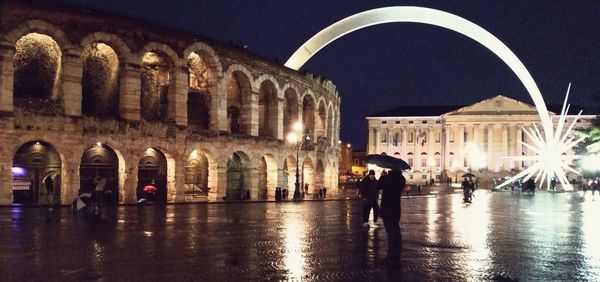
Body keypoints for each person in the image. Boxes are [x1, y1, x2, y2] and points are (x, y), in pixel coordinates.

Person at [379, 169, 405, 262]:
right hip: (396, 209)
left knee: (391, 234)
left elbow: (379, 186)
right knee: (396, 233)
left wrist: (382, 176)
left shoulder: (388, 178)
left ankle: (391, 256)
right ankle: (396, 255)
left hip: (387, 208)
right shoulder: (401, 178)